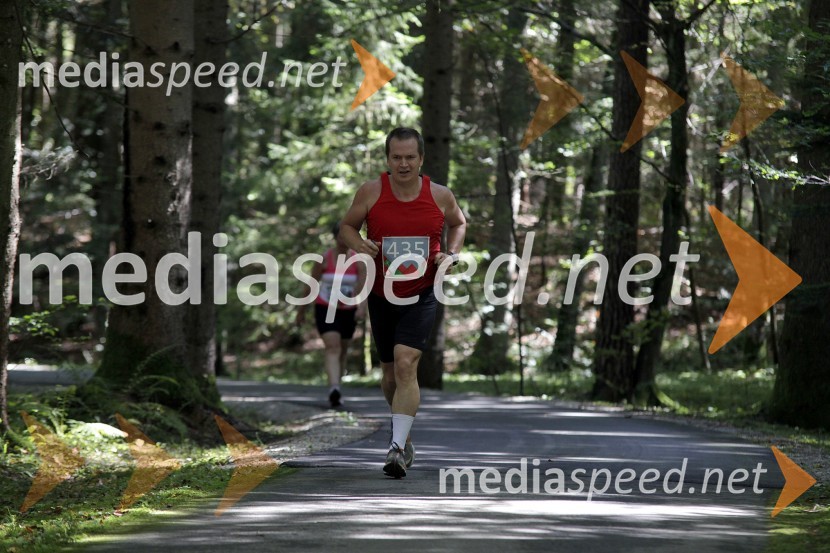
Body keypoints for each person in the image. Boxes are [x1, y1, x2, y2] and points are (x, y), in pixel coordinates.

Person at [339, 127, 466, 478]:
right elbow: (346, 228)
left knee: (406, 362)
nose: (404, 163)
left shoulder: (439, 195)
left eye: (410, 157)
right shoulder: (371, 191)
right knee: (390, 375)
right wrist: (360, 243)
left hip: (423, 290)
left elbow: (459, 223)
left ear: (421, 159)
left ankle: (395, 449)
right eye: (397, 157)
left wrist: (451, 255)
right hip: (382, 293)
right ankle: (404, 436)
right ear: (388, 159)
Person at [296, 222, 367, 407]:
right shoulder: (324, 259)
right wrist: (301, 311)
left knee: (342, 350)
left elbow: (363, 287)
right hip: (325, 308)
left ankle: (337, 387)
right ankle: (333, 388)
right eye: (340, 236)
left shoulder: (358, 260)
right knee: (332, 346)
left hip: (348, 310)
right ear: (335, 237)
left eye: (347, 237)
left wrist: (361, 308)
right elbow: (311, 285)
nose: (343, 240)